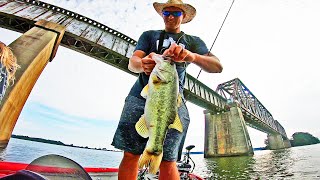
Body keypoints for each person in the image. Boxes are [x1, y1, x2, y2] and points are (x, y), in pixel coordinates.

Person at [111, 0, 223, 179]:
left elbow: (217, 66)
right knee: (130, 154)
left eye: (176, 13)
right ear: (162, 15)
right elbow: (133, 63)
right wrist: (142, 65)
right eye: (166, 13)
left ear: (183, 16)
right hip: (138, 98)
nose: (170, 16)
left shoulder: (193, 41)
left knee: (168, 160)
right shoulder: (148, 36)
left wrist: (191, 56)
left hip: (174, 102)